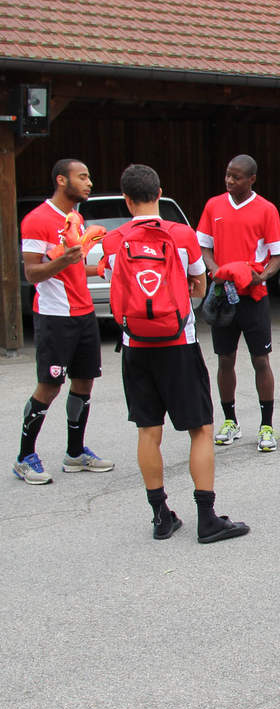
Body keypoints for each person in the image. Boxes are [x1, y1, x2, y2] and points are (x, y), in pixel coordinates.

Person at [103, 163, 249, 544]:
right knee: (200, 429)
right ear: (159, 192)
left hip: (135, 346)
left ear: (126, 199)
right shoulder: (182, 235)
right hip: (178, 345)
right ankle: (207, 518)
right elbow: (200, 286)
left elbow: (111, 283)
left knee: (148, 431)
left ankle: (161, 517)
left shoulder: (114, 240)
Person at [13, 159, 114, 485]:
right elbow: (31, 273)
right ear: (61, 180)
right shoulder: (36, 220)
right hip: (55, 316)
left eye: (89, 176)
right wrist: (64, 260)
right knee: (50, 385)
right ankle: (24, 457)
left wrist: (100, 269)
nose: (89, 183)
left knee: (84, 382)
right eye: (82, 177)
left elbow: (73, 266)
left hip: (84, 313)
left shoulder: (76, 218)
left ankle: (75, 453)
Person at [196, 154, 280, 452]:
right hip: (223, 296)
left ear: (251, 179)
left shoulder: (267, 210)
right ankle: (230, 420)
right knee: (225, 359)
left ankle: (267, 426)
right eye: (227, 175)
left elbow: (278, 256)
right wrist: (215, 272)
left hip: (253, 298)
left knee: (260, 360)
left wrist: (260, 277)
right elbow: (204, 247)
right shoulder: (213, 206)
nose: (229, 181)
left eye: (236, 177)